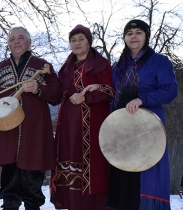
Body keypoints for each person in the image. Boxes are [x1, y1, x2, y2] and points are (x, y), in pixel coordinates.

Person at [0, 26, 63, 210]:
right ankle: (10, 206)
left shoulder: (42, 66)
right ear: (8, 44)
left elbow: (57, 94)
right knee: (9, 177)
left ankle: (33, 207)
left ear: (29, 42)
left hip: (34, 129)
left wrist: (39, 89)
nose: (16, 42)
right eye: (12, 39)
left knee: (32, 176)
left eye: (21, 38)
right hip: (7, 130)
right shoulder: (0, 68)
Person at [106, 19, 178, 210]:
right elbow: (113, 93)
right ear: (124, 38)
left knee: (147, 174)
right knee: (121, 172)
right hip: (121, 126)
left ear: (146, 36)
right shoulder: (118, 66)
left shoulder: (159, 61)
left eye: (138, 32)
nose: (134, 36)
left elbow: (170, 90)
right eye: (129, 33)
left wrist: (142, 99)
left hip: (148, 125)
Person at [49, 24, 114, 210]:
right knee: (68, 157)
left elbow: (109, 90)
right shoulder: (67, 66)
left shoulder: (100, 64)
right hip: (68, 123)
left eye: (81, 39)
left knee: (91, 164)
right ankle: (72, 204)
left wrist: (87, 96)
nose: (77, 43)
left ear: (89, 41)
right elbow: (59, 93)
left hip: (91, 123)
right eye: (73, 40)